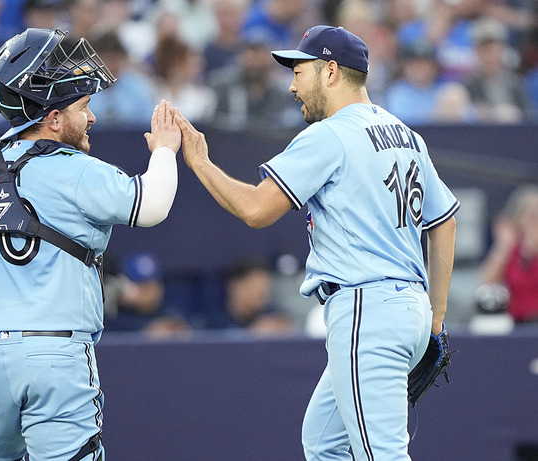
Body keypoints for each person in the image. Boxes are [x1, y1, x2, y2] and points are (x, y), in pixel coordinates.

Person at [174, 24, 458, 460]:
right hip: (408, 308)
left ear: (330, 71)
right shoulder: (405, 134)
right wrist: (435, 316)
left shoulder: (330, 134)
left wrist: (200, 162)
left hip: (369, 308)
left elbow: (255, 209)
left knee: (381, 455)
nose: (291, 86)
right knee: (324, 442)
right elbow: (444, 221)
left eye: (299, 72)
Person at [0, 28, 181, 461]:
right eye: (83, 106)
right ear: (51, 118)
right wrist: (164, 149)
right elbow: (153, 205)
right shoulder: (76, 169)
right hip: (55, 353)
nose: (91, 118)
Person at [478, 185, 538, 324]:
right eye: (531, 215)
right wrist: (503, 246)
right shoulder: (511, 250)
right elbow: (486, 282)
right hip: (518, 324)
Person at [105, 252, 191, 338]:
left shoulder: (169, 313)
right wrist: (145, 332)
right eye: (143, 286)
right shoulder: (112, 317)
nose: (151, 291)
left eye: (154, 284)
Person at [204, 257, 295, 335]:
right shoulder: (214, 323)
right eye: (254, 287)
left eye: (265, 288)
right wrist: (252, 333)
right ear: (236, 286)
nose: (260, 294)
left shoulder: (272, 315)